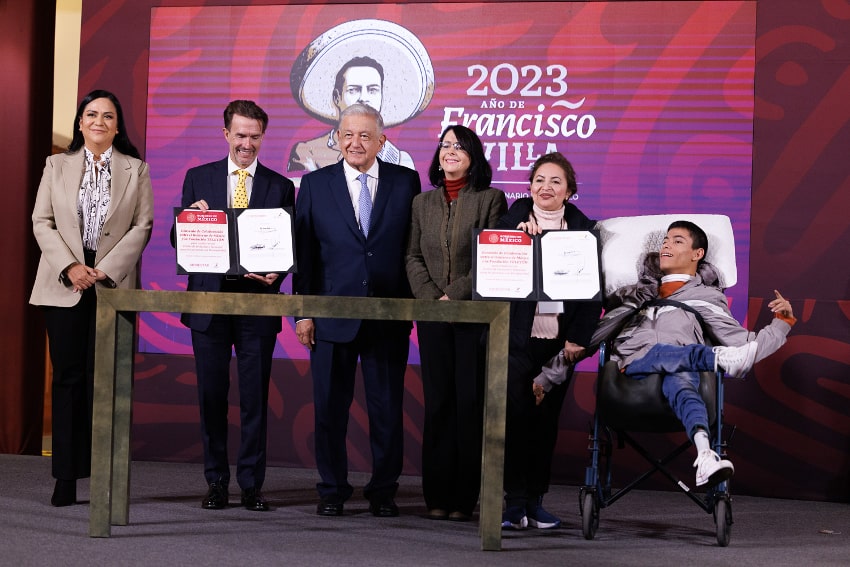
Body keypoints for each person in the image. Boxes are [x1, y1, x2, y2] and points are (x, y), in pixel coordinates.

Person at [538, 220, 796, 489]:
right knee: (664, 354)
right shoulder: (635, 293)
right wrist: (547, 377)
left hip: (681, 369)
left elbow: (744, 344)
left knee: (681, 380)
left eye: (677, 241)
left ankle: (705, 454)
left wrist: (782, 322)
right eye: (664, 241)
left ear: (698, 254)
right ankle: (715, 359)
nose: (666, 245)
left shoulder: (708, 297)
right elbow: (593, 336)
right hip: (632, 368)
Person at [293, 103, 421, 517]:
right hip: (331, 318)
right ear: (337, 138)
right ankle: (332, 489)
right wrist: (303, 313)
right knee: (329, 410)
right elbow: (306, 255)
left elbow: (411, 251)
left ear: (381, 140)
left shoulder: (406, 182)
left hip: (388, 317)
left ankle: (383, 491)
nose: (355, 142)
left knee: (387, 411)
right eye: (347, 134)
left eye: (365, 135)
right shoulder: (314, 185)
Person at [30, 89, 154, 507]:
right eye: (91, 114)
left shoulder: (136, 170)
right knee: (67, 380)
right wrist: (70, 267)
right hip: (63, 283)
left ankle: (102, 475)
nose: (99, 121)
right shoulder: (55, 164)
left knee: (106, 384)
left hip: (110, 286)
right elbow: (41, 221)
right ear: (80, 123)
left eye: (107, 116)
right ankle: (65, 476)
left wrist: (104, 270)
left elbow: (143, 225)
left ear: (117, 126)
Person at [176, 100, 295, 512]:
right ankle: (216, 482)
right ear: (225, 133)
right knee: (211, 396)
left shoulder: (280, 186)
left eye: (255, 136)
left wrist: (276, 273)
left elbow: (287, 247)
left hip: (256, 306)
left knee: (254, 399)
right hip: (208, 303)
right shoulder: (198, 178)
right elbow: (180, 243)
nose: (247, 143)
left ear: (263, 136)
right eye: (240, 135)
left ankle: (250, 485)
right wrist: (190, 221)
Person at [405, 125, 508, 521]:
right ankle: (437, 496)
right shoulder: (421, 202)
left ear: (473, 156)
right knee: (438, 406)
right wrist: (433, 299)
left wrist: (456, 296)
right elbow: (412, 256)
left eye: (459, 146)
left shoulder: (490, 199)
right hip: (432, 319)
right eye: (445, 145)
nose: (450, 151)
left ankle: (465, 499)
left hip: (473, 319)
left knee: (468, 405)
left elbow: (491, 254)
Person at [496, 152, 602, 530]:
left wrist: (579, 338)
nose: (546, 187)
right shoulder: (508, 223)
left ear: (569, 191)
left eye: (556, 181)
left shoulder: (586, 232)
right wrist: (516, 239)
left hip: (559, 345)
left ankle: (536, 502)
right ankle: (512, 504)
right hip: (514, 341)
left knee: (544, 423)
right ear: (529, 186)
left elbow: (594, 294)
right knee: (514, 418)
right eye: (540, 179)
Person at [288, 56, 415, 171]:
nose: (364, 98)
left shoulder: (400, 160)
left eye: (372, 90)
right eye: (354, 90)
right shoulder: (308, 152)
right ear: (337, 97)